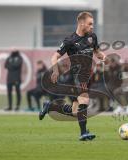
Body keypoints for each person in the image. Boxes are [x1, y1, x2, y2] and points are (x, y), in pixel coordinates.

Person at [39, 12, 107, 141]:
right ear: (81, 23)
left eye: (93, 24)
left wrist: (104, 57)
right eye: (90, 24)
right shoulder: (70, 40)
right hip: (76, 76)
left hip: (88, 77)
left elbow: (97, 52)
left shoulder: (92, 37)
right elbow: (55, 56)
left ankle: (50, 106)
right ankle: (83, 133)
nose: (92, 26)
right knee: (84, 101)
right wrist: (55, 70)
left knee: (76, 112)